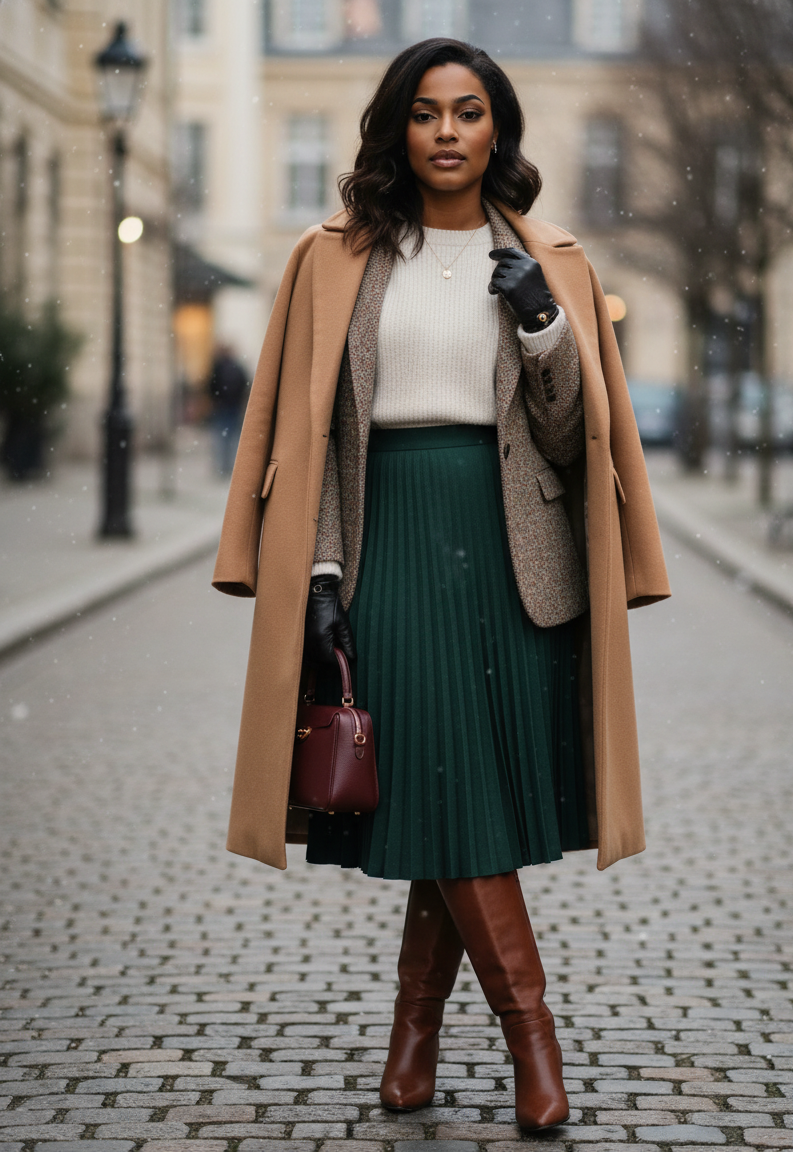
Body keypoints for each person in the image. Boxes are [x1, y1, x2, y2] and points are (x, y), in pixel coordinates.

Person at [212, 38, 670, 1132]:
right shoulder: (334, 258)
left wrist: (543, 326)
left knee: (448, 794)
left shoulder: (551, 259)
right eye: (426, 113)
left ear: (497, 129)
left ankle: (413, 1043)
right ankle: (531, 1040)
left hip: (515, 557)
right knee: (449, 784)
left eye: (469, 112)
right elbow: (309, 431)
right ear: (397, 129)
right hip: (385, 546)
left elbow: (570, 443)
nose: (449, 132)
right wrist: (320, 572)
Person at [206, 342, 250, 477]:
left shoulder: (218, 367)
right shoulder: (236, 367)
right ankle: (229, 465)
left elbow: (210, 386)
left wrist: (214, 400)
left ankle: (223, 466)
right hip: (232, 406)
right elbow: (245, 384)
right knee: (231, 437)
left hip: (222, 406)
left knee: (221, 437)